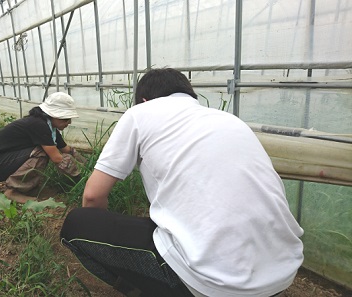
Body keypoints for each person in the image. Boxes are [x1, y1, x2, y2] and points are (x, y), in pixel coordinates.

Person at [60, 68, 304, 296]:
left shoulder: (140, 113)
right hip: (282, 273)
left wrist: (105, 232)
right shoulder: (229, 119)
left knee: (77, 222)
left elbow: (92, 196)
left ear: (144, 100)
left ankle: (145, 288)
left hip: (215, 284)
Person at [0, 92, 85, 203]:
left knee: (45, 151)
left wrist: (87, 164)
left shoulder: (50, 128)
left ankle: (25, 187)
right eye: (65, 119)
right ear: (53, 115)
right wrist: (81, 177)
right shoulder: (38, 125)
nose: (69, 122)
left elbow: (66, 149)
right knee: (41, 152)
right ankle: (12, 192)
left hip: (0, 161)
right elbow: (57, 158)